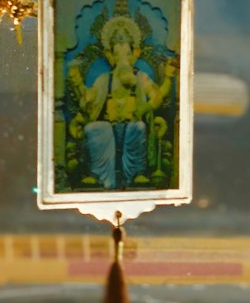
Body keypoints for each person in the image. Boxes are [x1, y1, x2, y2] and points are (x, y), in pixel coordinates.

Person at [68, 13, 177, 190]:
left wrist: (169, 78)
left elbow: (157, 97)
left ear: (135, 54)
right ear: (110, 56)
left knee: (138, 127)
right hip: (109, 129)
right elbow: (88, 100)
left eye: (126, 53)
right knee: (94, 128)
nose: (122, 59)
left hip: (132, 128)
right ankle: (100, 177)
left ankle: (135, 174)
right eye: (118, 54)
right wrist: (77, 81)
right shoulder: (104, 80)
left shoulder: (140, 78)